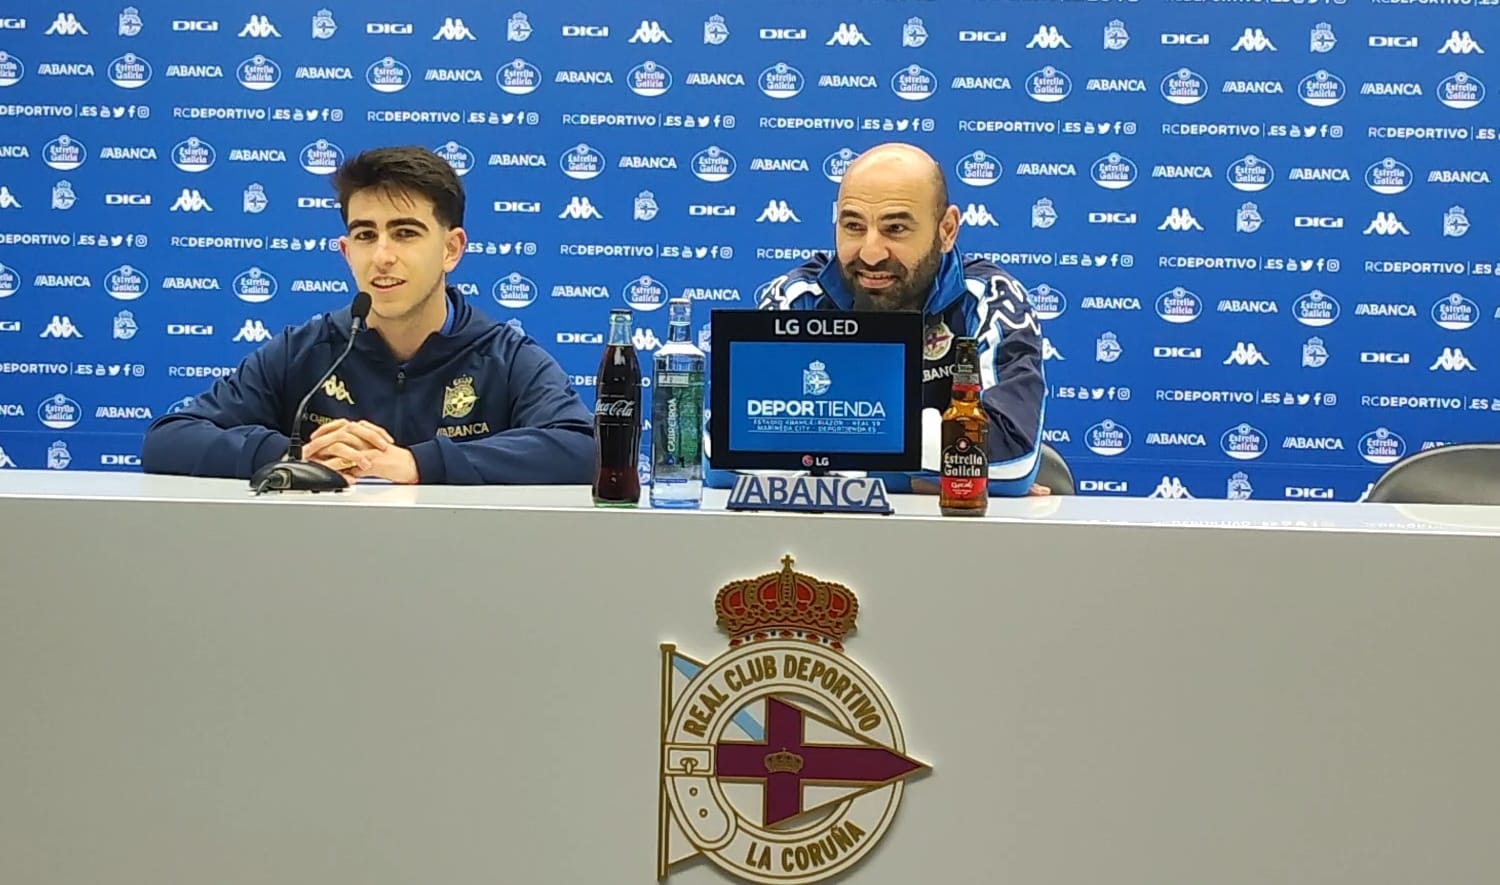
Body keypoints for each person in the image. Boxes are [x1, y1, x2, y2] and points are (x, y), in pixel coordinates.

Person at [142, 145, 594, 485]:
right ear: (345, 251)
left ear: (451, 249)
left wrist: (420, 464)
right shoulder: (306, 350)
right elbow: (168, 440)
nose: (382, 256)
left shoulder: (505, 356)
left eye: (405, 233)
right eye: (364, 234)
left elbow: (585, 449)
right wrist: (294, 454)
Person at [708, 142, 1048, 496]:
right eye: (853, 226)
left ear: (947, 230)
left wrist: (816, 457)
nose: (871, 253)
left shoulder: (988, 299)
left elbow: (1012, 458)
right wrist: (909, 481)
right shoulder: (800, 299)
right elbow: (720, 452)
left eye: (896, 229)